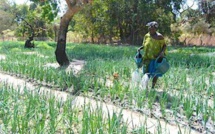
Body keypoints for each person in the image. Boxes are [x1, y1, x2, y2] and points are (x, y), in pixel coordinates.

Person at [137, 21, 167, 88]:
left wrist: (162, 53)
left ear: (155, 29)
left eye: (152, 28)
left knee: (155, 73)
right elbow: (144, 45)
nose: (150, 29)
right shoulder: (147, 36)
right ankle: (145, 86)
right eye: (149, 28)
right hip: (147, 58)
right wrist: (140, 48)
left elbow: (164, 46)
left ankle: (153, 87)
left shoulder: (159, 37)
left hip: (155, 58)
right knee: (146, 73)